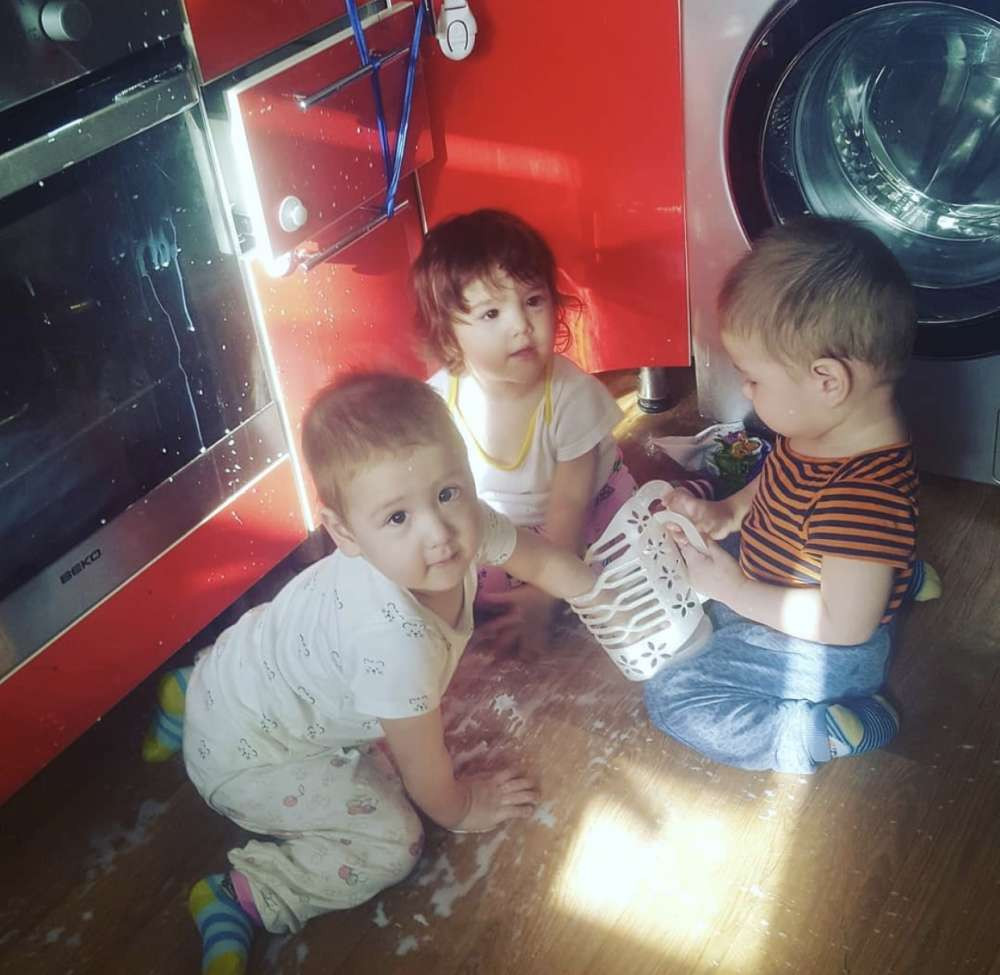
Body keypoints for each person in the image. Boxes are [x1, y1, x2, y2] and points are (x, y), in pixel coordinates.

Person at [146, 372, 597, 975]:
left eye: (448, 492)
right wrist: (461, 809)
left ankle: (190, 692)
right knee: (391, 843)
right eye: (397, 517)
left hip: (235, 674)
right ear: (343, 532)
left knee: (257, 675)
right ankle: (245, 896)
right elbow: (424, 772)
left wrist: (606, 595)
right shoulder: (395, 644)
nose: (438, 533)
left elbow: (538, 558)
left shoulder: (462, 527)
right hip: (256, 758)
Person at [644, 216, 937, 774]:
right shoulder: (826, 427)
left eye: (753, 378)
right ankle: (892, 574)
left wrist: (732, 589)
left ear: (828, 381)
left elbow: (844, 626)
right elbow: (777, 483)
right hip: (797, 578)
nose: (745, 389)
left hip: (827, 646)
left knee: (674, 697)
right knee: (689, 549)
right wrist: (726, 512)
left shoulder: (862, 498)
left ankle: (822, 732)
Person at [412, 209, 636, 655]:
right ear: (450, 336)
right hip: (504, 524)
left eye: (533, 300)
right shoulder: (440, 399)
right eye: (491, 313)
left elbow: (569, 505)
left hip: (588, 513)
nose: (520, 325)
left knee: (625, 574)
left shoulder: (570, 396)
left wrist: (545, 593)